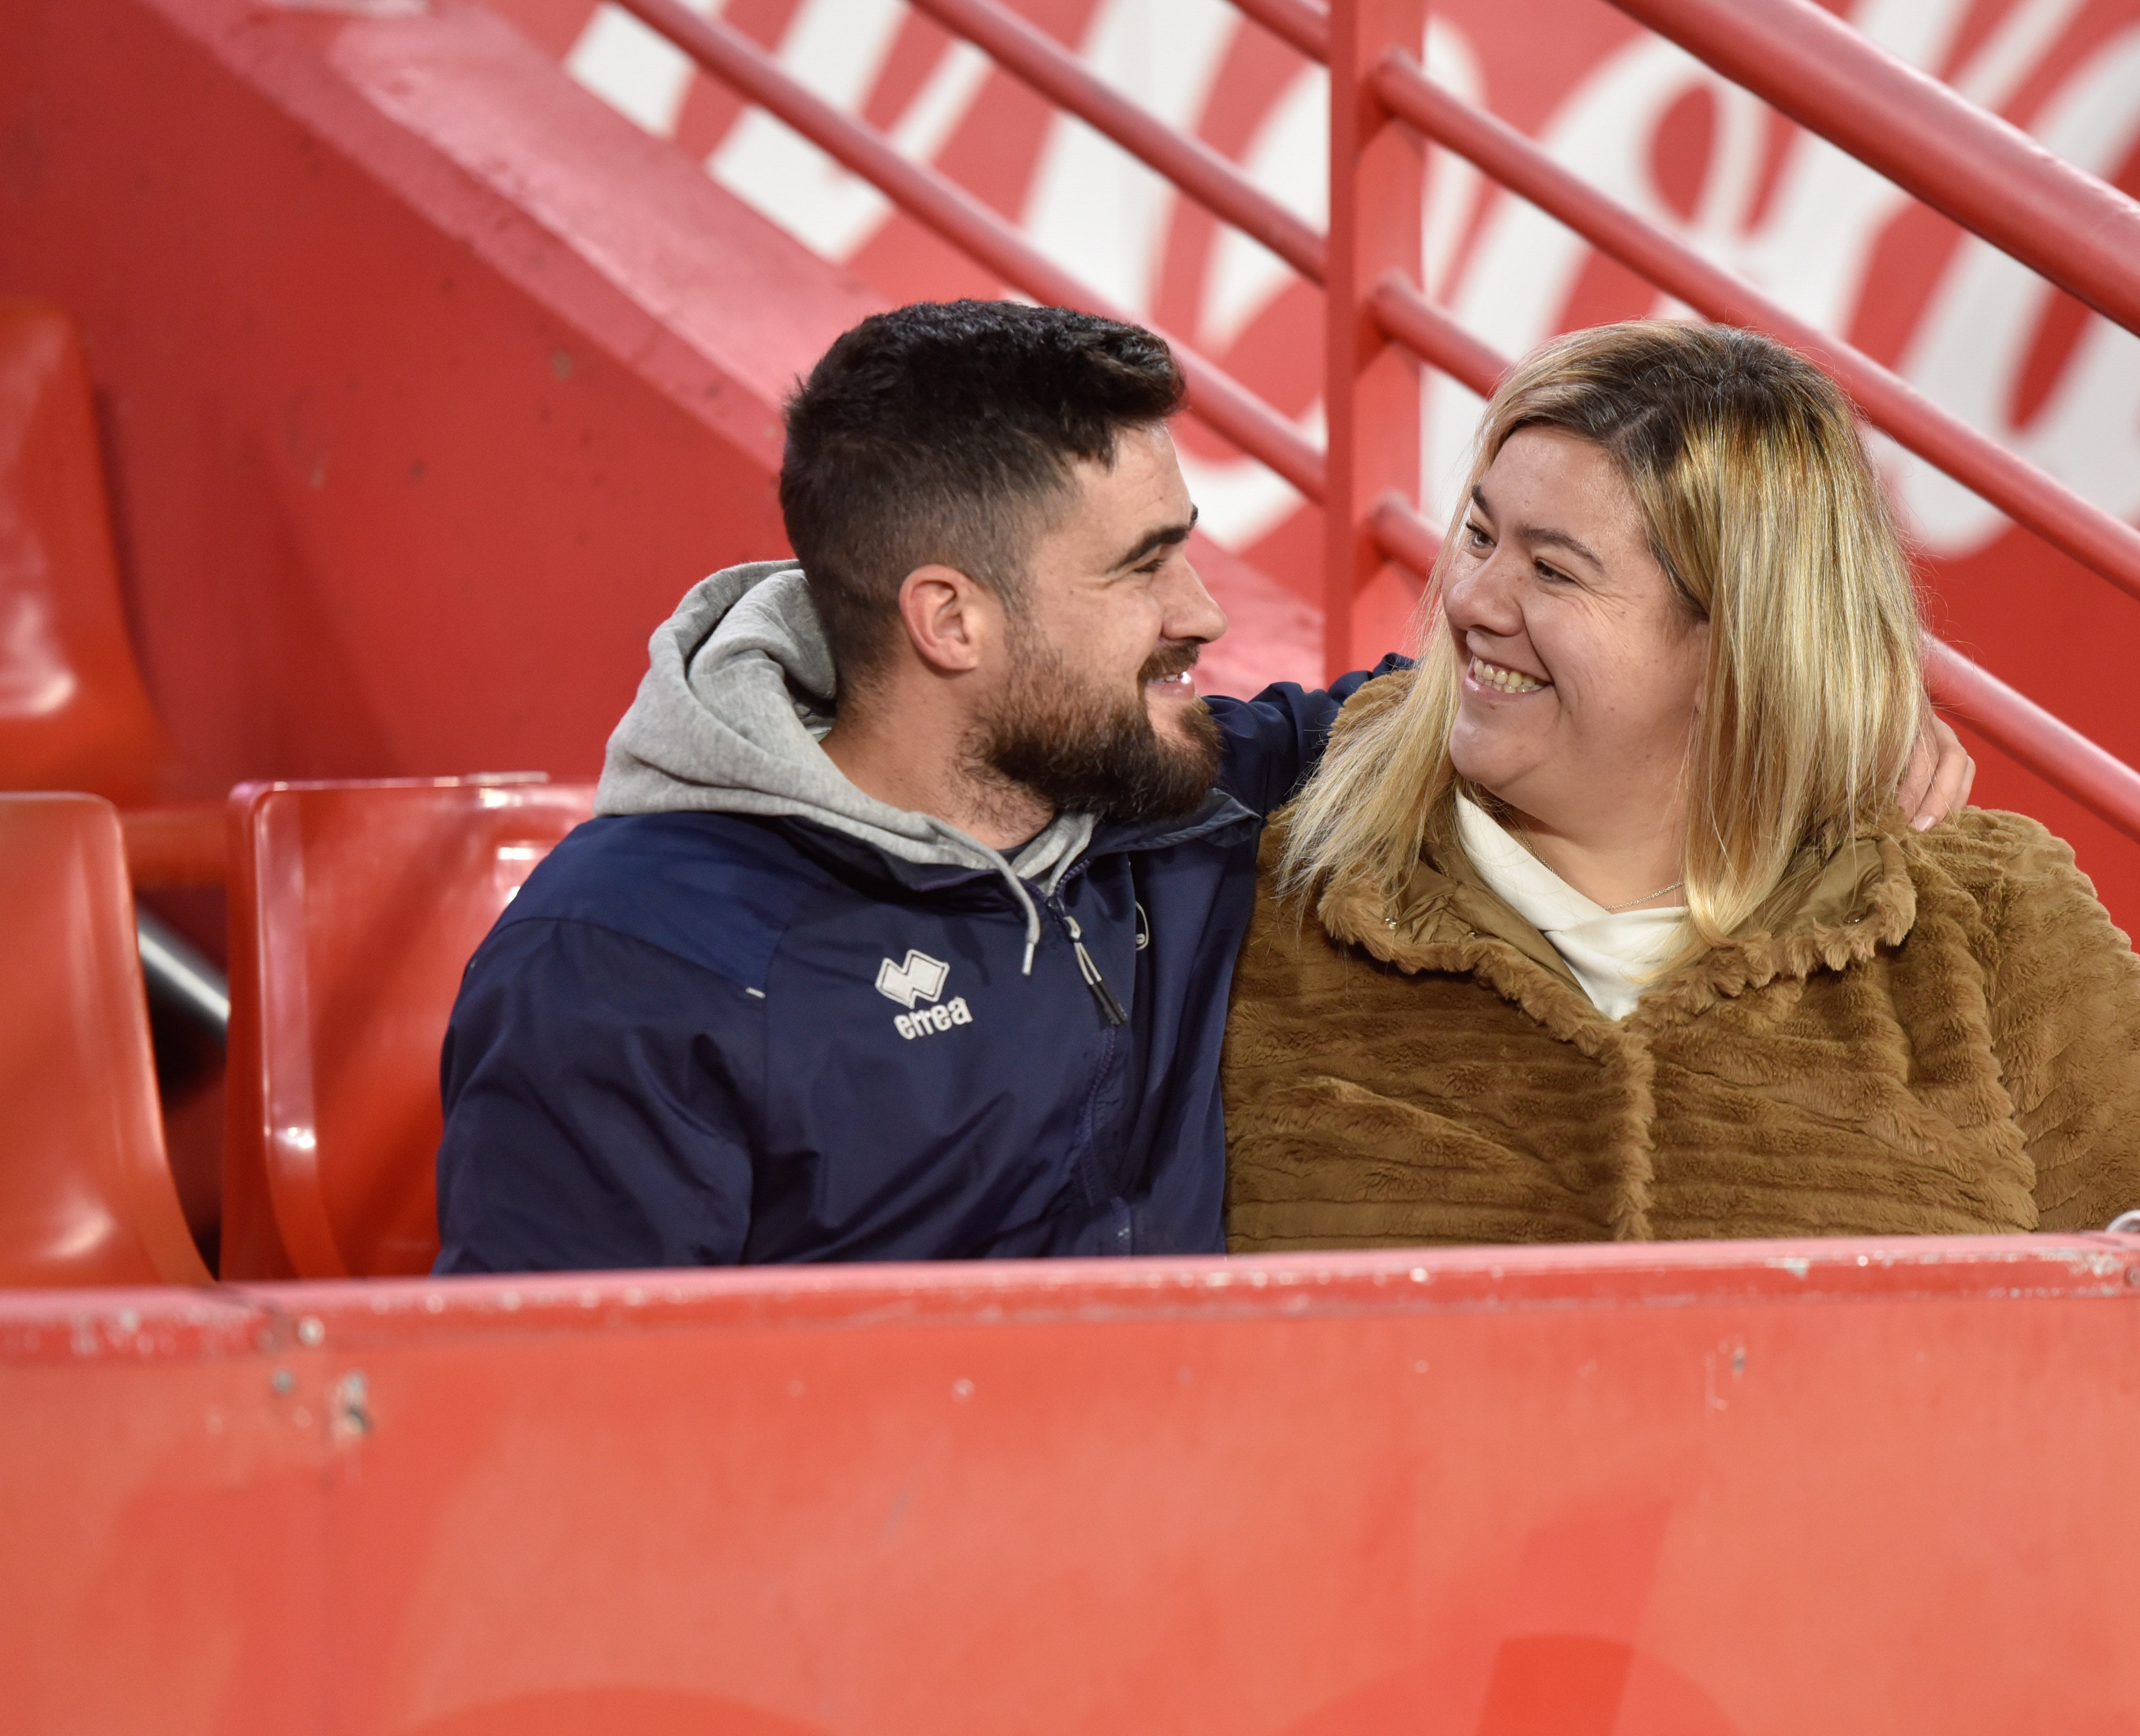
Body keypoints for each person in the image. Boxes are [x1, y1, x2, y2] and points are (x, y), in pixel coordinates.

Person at [434, 299, 1980, 1271]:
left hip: (1226, 1638)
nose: (1202, 615)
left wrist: (1807, 702)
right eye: (1141, 567)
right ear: (949, 619)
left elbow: (1480, 706)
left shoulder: (1187, 798)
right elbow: (539, 1469)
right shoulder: (631, 964)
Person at [1221, 320, 2140, 1250]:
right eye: (1480, 537)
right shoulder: (1266, 887)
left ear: (1734, 645)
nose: (1470, 599)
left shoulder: (1986, 922)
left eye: (1552, 570)